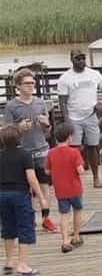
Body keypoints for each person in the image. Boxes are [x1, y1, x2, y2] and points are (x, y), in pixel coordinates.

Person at [3, 68, 57, 233]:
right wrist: (18, 128)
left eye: (33, 83)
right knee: (27, 187)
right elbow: (6, 132)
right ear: (18, 86)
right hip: (22, 151)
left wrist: (46, 124)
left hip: (41, 149)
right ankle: (30, 218)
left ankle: (46, 218)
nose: (31, 86)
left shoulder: (40, 103)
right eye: (27, 83)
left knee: (45, 185)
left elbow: (48, 131)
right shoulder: (11, 106)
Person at [56, 49, 102, 189]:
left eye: (83, 58)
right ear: (71, 59)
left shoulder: (94, 74)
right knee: (74, 148)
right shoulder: (65, 78)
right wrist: (66, 118)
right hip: (74, 116)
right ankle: (74, 178)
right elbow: (62, 100)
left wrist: (101, 102)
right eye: (77, 58)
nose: (81, 61)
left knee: (93, 146)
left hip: (91, 115)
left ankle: (96, 177)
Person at [0, 125, 46, 276]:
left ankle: (8, 261)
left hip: (3, 195)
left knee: (8, 228)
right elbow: (31, 178)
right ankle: (23, 264)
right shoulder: (25, 155)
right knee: (25, 227)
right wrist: (41, 197)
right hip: (20, 194)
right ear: (20, 138)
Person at [45, 123, 84, 253]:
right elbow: (80, 170)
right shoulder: (74, 152)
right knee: (77, 211)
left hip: (60, 189)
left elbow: (47, 171)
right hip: (75, 188)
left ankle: (65, 240)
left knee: (64, 215)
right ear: (69, 137)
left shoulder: (51, 153)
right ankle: (77, 236)